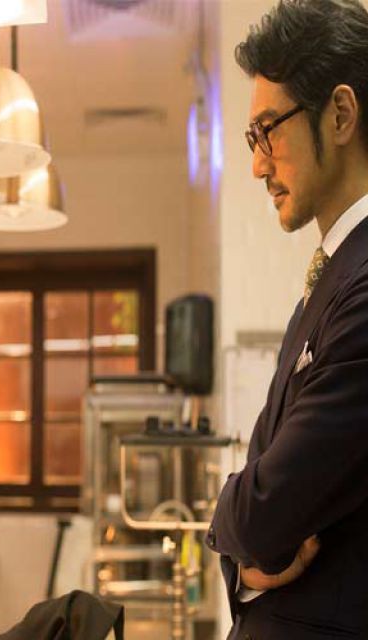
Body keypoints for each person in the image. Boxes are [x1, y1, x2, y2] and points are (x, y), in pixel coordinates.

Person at [206, 0, 368, 638]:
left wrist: (236, 522)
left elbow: (263, 510)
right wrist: (244, 552)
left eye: (268, 130)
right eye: (253, 139)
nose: (257, 165)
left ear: (341, 114)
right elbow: (260, 502)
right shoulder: (323, 287)